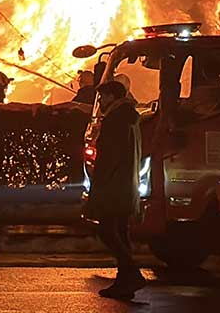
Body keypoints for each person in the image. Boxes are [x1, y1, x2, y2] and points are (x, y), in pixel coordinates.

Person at [85, 80, 145, 300]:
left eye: (103, 96)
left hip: (113, 185)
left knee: (107, 231)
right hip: (125, 184)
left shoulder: (116, 119)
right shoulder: (130, 118)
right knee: (120, 231)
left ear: (112, 96)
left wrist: (98, 186)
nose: (100, 101)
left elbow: (109, 157)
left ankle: (132, 273)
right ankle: (124, 280)